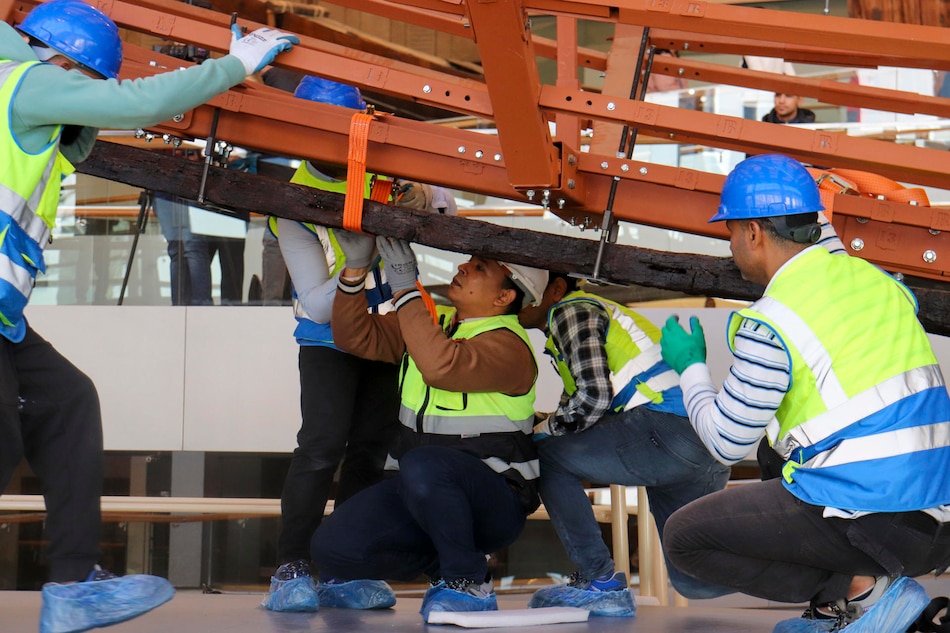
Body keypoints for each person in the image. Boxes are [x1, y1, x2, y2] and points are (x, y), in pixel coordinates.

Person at [0, 2, 297, 631]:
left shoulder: (30, 101)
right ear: (66, 65)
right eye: (91, 87)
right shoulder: (25, 83)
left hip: (5, 318)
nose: (92, 101)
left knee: (68, 400)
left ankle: (75, 584)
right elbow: (138, 104)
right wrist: (235, 63)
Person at [659, 154, 950, 633]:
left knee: (685, 537)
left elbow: (727, 442)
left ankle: (864, 594)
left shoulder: (773, 319)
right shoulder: (878, 284)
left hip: (878, 524)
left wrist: (690, 366)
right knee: (777, 449)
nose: (730, 245)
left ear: (753, 232)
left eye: (730, 231)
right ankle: (848, 603)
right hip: (937, 518)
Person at [262, 75, 456, 613]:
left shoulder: (382, 179)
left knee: (369, 449)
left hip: (385, 333)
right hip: (326, 340)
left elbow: (440, 215)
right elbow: (321, 306)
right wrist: (360, 260)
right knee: (321, 448)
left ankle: (346, 569)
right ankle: (292, 567)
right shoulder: (290, 203)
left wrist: (433, 192)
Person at [309, 235, 548, 622]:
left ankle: (467, 580)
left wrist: (405, 288)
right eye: (468, 261)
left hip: (494, 504)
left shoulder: (509, 347)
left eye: (479, 269)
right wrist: (354, 271)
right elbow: (354, 336)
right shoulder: (434, 326)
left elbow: (441, 366)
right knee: (331, 548)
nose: (462, 268)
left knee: (424, 463)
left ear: (504, 298)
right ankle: (448, 565)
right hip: (425, 495)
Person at [517, 273, 731, 617]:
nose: (517, 296)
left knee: (549, 456)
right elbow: (580, 409)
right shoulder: (596, 316)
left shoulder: (569, 311)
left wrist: (539, 433)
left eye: (524, 288)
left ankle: (598, 581)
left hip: (665, 429)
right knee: (695, 579)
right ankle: (814, 568)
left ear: (556, 289)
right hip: (702, 438)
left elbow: (593, 398)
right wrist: (541, 422)